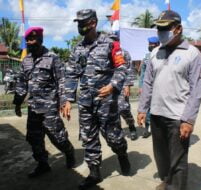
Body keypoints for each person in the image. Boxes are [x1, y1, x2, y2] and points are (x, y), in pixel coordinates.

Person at [137, 10, 201, 190]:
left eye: (165, 28)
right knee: (162, 157)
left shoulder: (192, 54)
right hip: (157, 114)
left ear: (178, 29)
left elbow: (196, 90)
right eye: (158, 29)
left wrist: (188, 119)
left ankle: (175, 187)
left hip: (178, 117)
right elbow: (148, 82)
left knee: (178, 162)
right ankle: (167, 181)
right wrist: (143, 108)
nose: (160, 32)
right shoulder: (155, 53)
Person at [62, 9, 130, 189]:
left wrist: (113, 85)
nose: (79, 26)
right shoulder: (77, 48)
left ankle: (121, 153)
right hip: (85, 102)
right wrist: (67, 99)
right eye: (77, 23)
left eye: (82, 23)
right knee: (89, 137)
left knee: (113, 136)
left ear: (93, 23)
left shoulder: (110, 43)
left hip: (106, 102)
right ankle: (94, 173)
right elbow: (70, 74)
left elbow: (122, 67)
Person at [13, 27, 75, 178]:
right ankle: (43, 164)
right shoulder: (26, 60)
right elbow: (21, 83)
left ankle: (69, 152)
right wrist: (17, 102)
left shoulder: (52, 57)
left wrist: (64, 100)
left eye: (32, 39)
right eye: (27, 40)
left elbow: (61, 80)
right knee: (34, 138)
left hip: (49, 107)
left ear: (40, 39)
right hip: (33, 107)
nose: (29, 42)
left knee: (57, 136)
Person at [139, 36, 160, 138]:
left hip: (160, 88)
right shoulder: (146, 57)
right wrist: (141, 86)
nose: (150, 46)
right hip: (148, 87)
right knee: (147, 108)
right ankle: (147, 129)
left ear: (157, 45)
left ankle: (158, 128)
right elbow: (142, 73)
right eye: (149, 44)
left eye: (152, 45)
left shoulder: (162, 56)